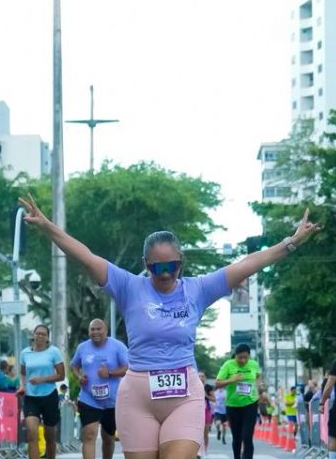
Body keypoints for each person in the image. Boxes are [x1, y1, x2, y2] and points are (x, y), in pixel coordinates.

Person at [19, 195, 318, 459]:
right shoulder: (128, 286)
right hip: (138, 396)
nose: (164, 274)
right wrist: (46, 226)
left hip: (184, 393)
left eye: (171, 266)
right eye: (156, 268)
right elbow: (84, 255)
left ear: (182, 262)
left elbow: (250, 263)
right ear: (145, 265)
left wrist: (291, 242)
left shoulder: (199, 289)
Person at [70, 318, 128, 459]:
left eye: (99, 329)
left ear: (106, 331)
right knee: (89, 435)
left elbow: (128, 367)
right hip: (89, 399)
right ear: (89, 331)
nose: (95, 332)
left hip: (112, 401)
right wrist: (79, 376)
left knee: (108, 439)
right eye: (92, 329)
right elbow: (74, 365)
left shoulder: (118, 346)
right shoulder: (82, 347)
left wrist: (109, 373)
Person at [18, 324, 65, 459]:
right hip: (31, 397)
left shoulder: (53, 352)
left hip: (49, 395)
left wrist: (42, 379)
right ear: (33, 335)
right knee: (31, 433)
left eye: (43, 334)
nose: (40, 336)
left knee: (50, 436)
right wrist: (23, 386)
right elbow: (22, 373)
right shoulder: (25, 353)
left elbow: (61, 375)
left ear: (47, 338)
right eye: (37, 333)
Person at [216, 344, 263, 459]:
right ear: (235, 356)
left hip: (250, 404)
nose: (243, 360)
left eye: (246, 357)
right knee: (237, 438)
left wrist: (260, 386)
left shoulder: (254, 364)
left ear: (249, 356)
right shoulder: (228, 365)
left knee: (247, 437)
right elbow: (217, 383)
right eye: (240, 358)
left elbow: (258, 377)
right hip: (233, 406)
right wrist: (231, 379)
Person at [202, 378, 215, 458]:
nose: (201, 378)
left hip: (206, 411)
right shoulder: (192, 385)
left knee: (205, 433)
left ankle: (205, 450)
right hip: (195, 412)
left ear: (205, 378)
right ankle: (197, 450)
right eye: (199, 376)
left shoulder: (208, 387)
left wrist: (206, 395)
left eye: (203, 376)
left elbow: (214, 399)